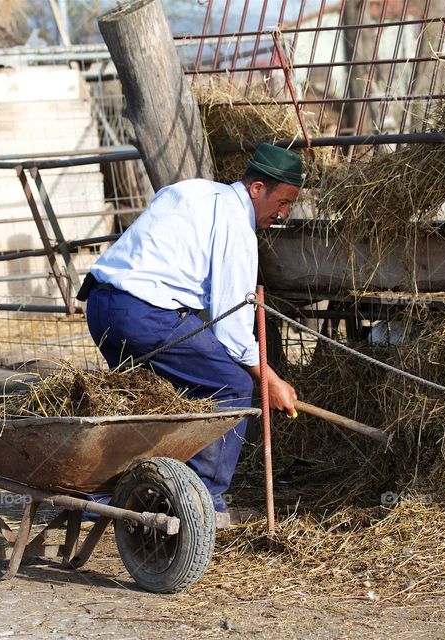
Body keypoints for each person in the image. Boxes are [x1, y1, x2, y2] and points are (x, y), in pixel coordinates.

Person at [81, 142, 302, 516]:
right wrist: (270, 379)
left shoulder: (191, 189)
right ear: (257, 189)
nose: (282, 214)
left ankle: (111, 497)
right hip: (144, 315)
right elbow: (233, 331)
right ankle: (201, 504)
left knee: (151, 395)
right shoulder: (237, 228)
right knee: (232, 383)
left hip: (102, 306)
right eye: (282, 202)